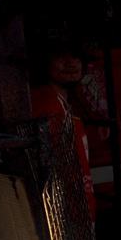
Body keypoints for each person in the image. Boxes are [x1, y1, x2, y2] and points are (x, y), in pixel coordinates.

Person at [30, 41, 96, 221]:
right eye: (60, 57)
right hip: (61, 214)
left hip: (74, 209)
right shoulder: (45, 103)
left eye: (76, 57)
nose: (71, 63)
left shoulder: (65, 102)